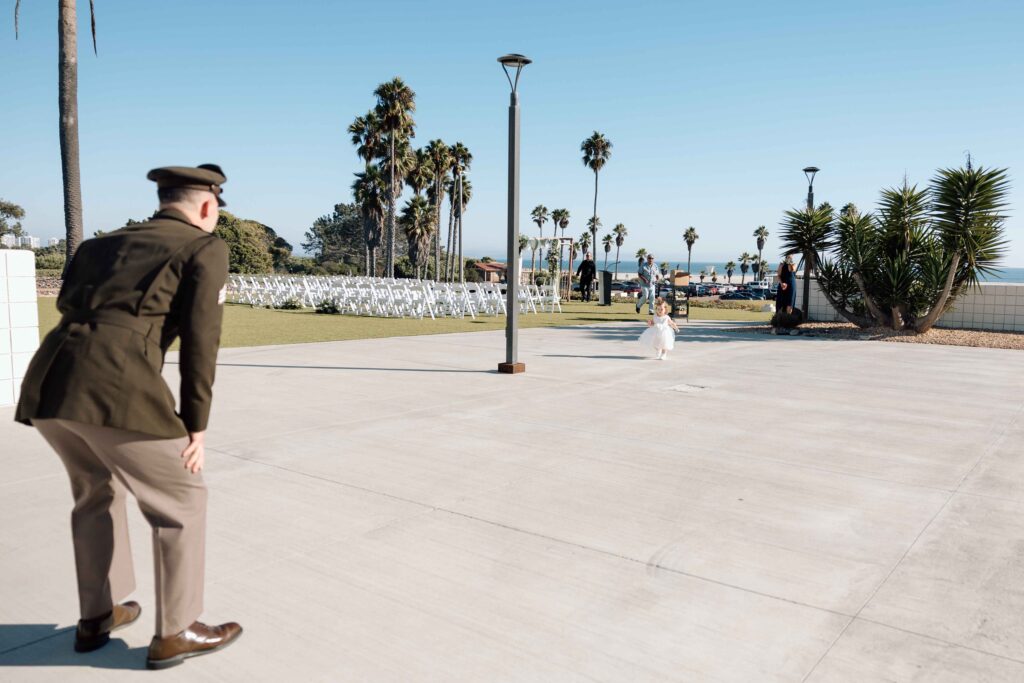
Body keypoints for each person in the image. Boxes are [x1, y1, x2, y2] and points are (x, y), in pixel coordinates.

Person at [15, 164, 243, 670]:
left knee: (94, 490)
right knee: (181, 499)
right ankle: (177, 630)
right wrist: (196, 426)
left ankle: (98, 615)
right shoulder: (205, 247)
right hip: (113, 383)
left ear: (164, 199)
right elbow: (201, 344)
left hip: (52, 381)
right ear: (208, 206)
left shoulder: (97, 245)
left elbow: (70, 305)